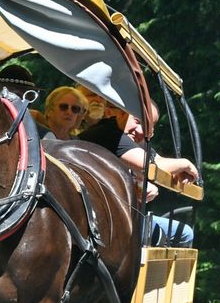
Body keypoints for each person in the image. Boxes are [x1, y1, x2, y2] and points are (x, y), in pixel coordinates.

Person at [78, 102, 199, 246]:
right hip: (95, 216)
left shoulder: (131, 139)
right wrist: (185, 164)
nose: (140, 130)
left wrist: (177, 171)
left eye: (147, 127)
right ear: (121, 114)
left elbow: (159, 161)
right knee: (168, 235)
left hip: (117, 213)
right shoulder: (108, 133)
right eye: (137, 121)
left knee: (183, 233)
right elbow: (151, 166)